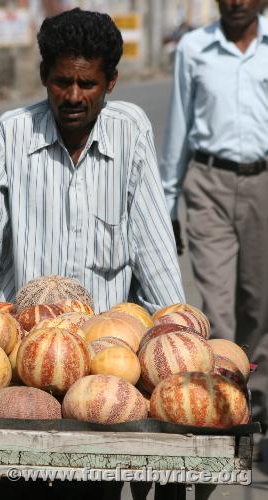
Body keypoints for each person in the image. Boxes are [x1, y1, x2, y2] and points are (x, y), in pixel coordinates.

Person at [0, 8, 185, 314]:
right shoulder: (13, 134)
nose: (73, 96)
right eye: (62, 82)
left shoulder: (130, 134)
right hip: (24, 337)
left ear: (110, 82)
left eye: (87, 84)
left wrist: (175, 329)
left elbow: (154, 251)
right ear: (43, 76)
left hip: (103, 341)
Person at [161, 0, 268, 455]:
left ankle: (258, 403)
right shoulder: (193, 47)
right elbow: (179, 125)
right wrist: (168, 202)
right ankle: (228, 407)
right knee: (219, 309)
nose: (237, 1)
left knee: (258, 304)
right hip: (206, 184)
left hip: (263, 182)